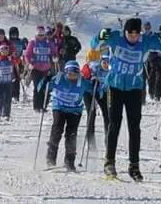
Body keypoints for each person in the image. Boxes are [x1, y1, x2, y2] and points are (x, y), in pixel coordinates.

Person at [99, 18, 153, 180]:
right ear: (125, 32)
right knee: (114, 124)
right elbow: (96, 44)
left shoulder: (144, 43)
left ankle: (134, 166)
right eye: (130, 33)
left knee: (134, 127)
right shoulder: (116, 38)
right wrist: (101, 36)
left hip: (134, 88)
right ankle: (109, 162)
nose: (133, 36)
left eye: (137, 33)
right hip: (114, 87)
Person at [45, 61, 88, 170]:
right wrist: (46, 80)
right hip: (59, 107)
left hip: (75, 110)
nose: (72, 77)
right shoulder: (59, 79)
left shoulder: (82, 82)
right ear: (66, 73)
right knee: (57, 130)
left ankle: (69, 161)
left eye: (75, 74)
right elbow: (43, 86)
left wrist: (97, 85)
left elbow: (95, 89)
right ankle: (51, 157)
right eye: (70, 74)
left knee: (71, 134)